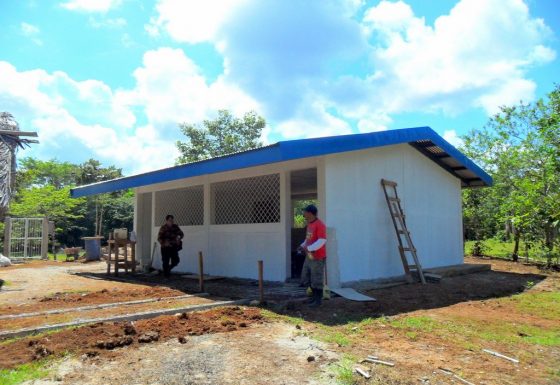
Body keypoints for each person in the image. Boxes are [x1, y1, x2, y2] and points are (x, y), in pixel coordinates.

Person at [298, 204, 327, 307]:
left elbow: (322, 241)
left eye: (304, 212)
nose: (303, 214)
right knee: (307, 276)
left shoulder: (320, 225)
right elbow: (308, 239)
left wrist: (309, 248)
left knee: (317, 278)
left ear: (310, 213)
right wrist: (303, 246)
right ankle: (313, 298)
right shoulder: (310, 224)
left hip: (317, 256)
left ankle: (317, 301)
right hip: (309, 255)